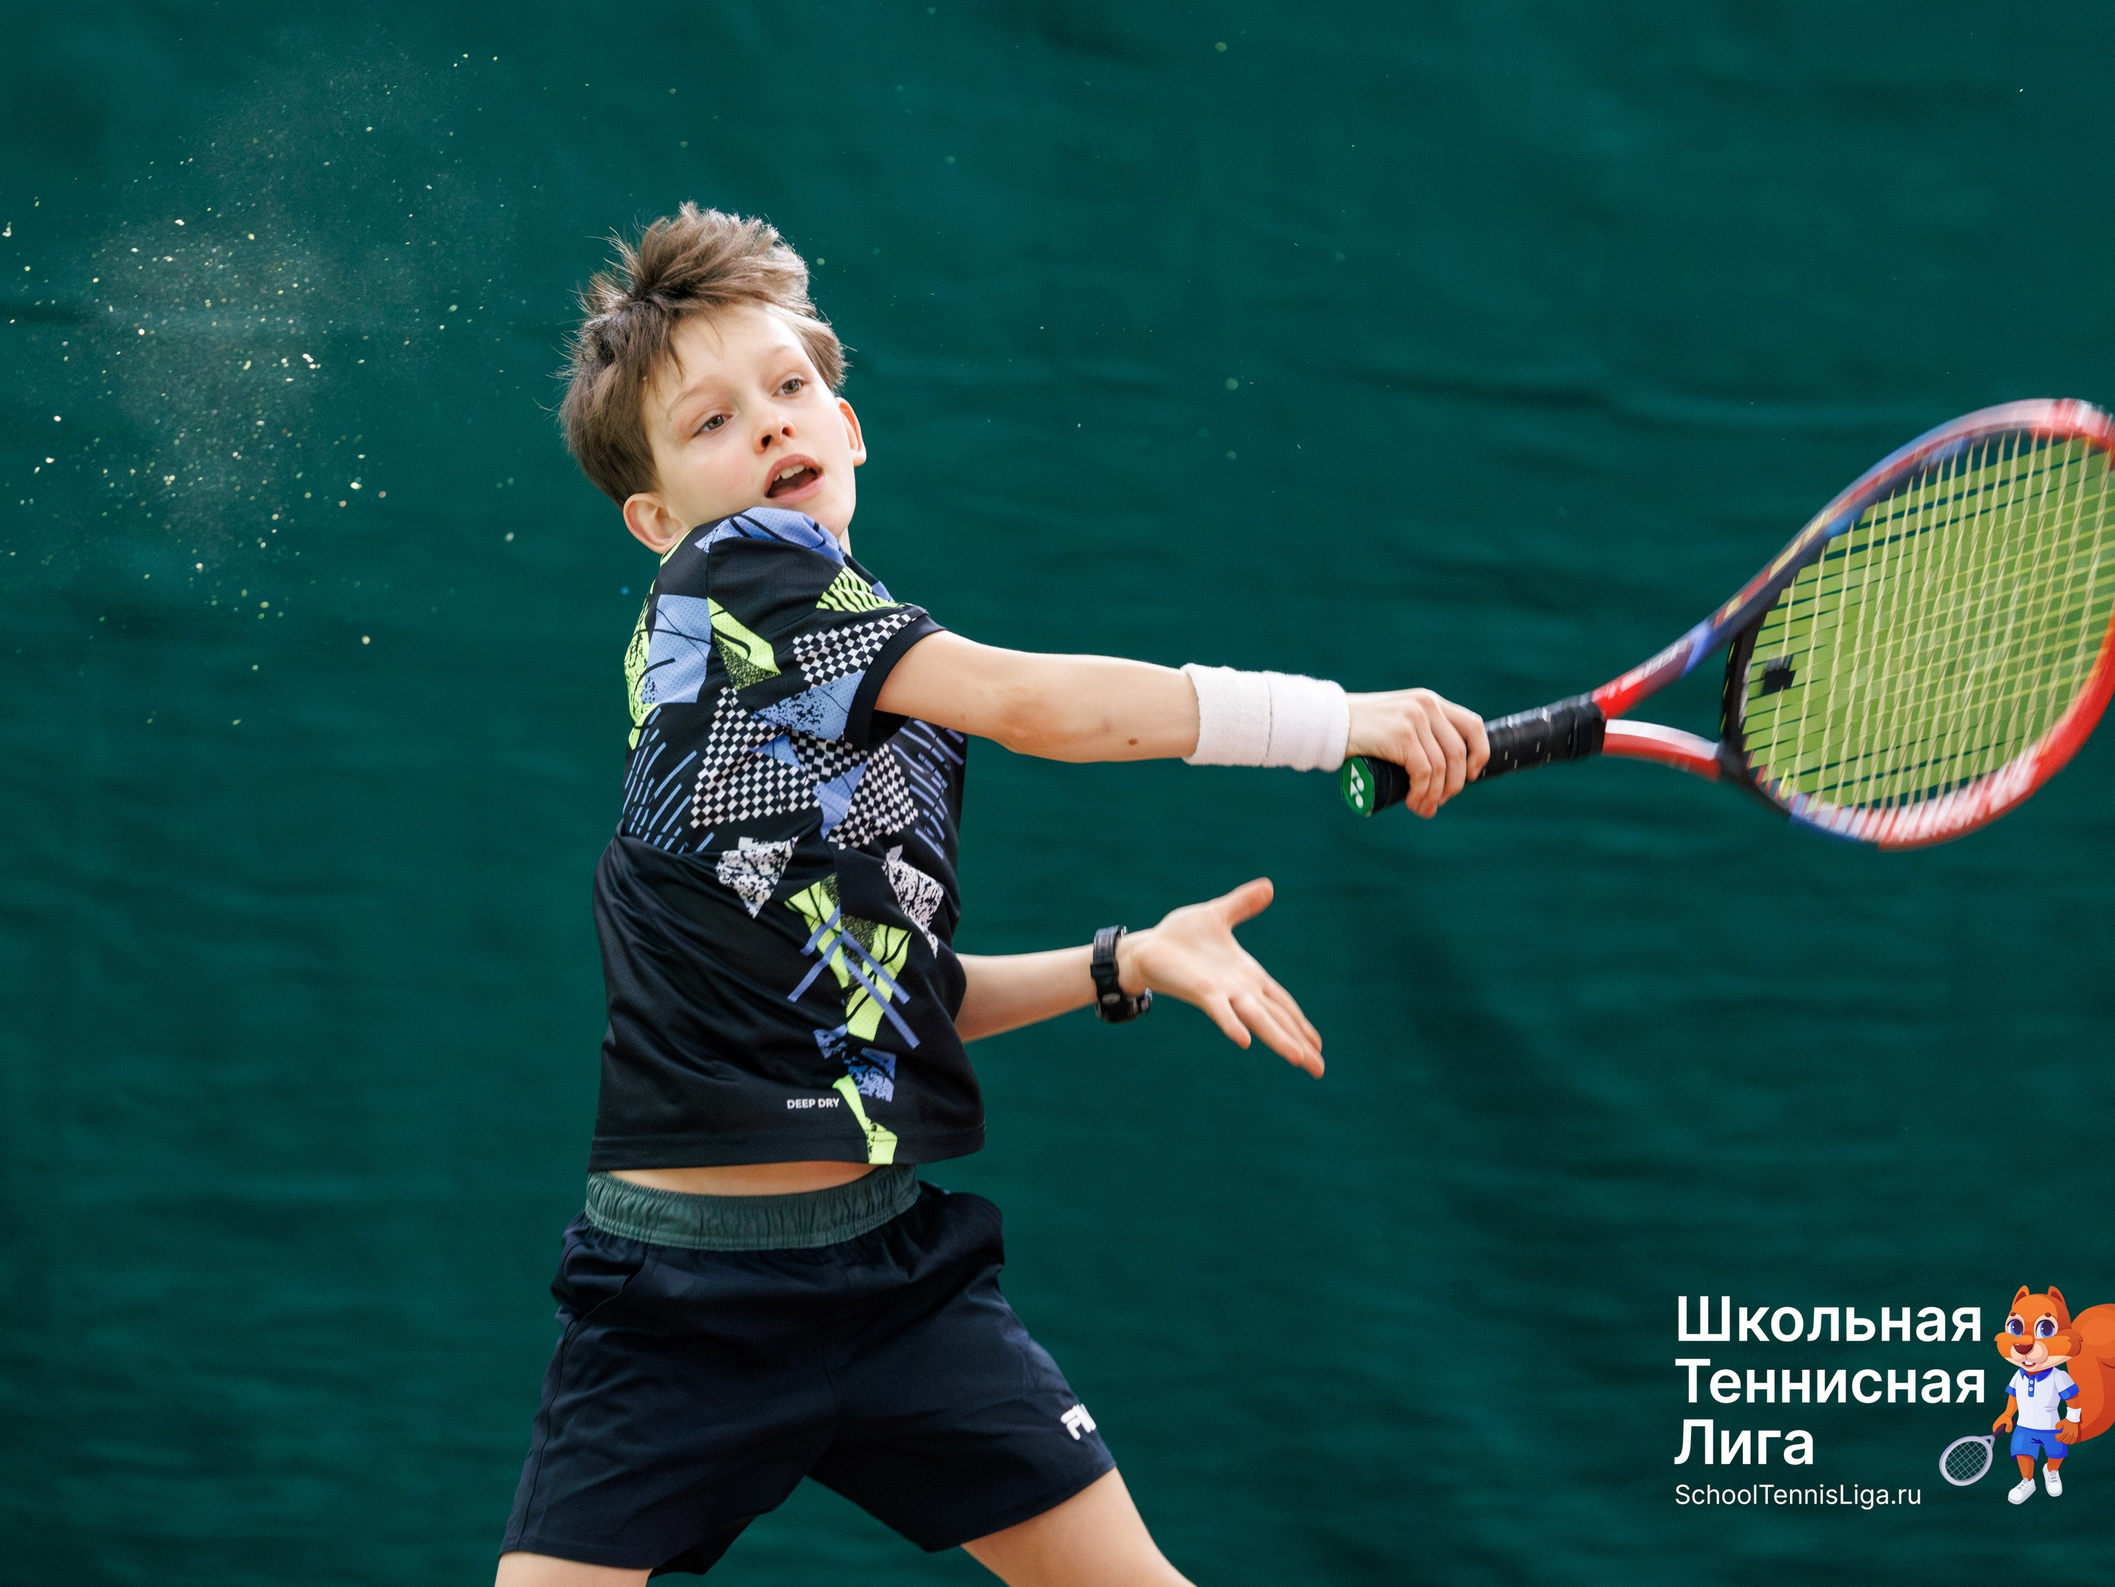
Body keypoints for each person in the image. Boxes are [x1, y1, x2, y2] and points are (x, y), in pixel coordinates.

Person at [498, 204, 1488, 1586]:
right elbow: (1040, 702)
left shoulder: (872, 700)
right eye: (712, 420)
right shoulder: (737, 581)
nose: (772, 426)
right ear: (659, 518)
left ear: (850, 425)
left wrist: (1125, 961)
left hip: (889, 1281)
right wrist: (1338, 718)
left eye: (792, 390)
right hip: (678, 1299)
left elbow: (890, 996)